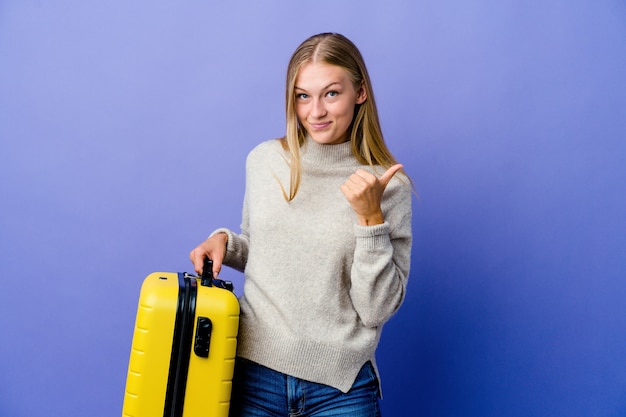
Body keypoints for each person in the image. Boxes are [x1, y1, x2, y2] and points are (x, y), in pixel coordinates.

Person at [190, 32, 412, 417]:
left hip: (340, 390)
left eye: (331, 93)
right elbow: (268, 250)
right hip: (252, 375)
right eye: (302, 95)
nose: (315, 112)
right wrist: (225, 242)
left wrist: (371, 219)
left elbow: (376, 309)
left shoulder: (386, 186)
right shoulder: (265, 161)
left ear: (360, 93)